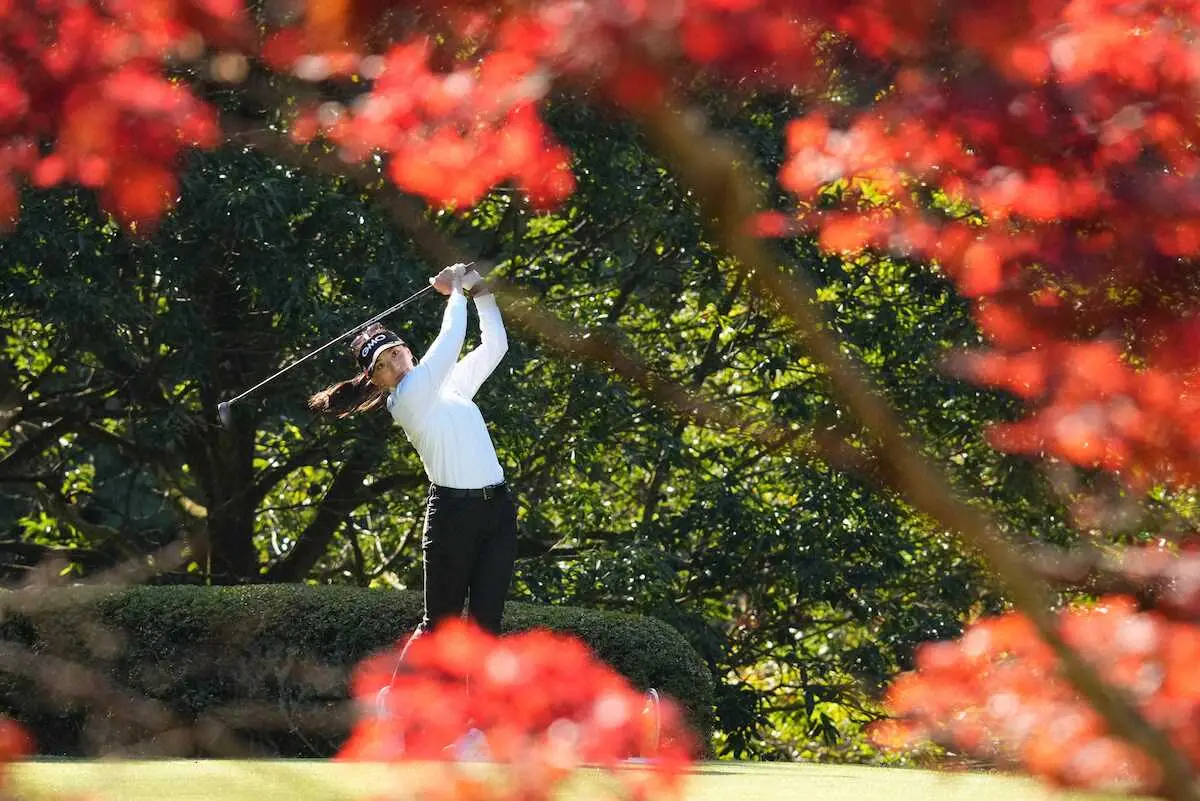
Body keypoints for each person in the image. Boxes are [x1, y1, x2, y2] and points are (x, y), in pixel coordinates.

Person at [308, 263, 518, 652]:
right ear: (376, 381)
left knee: (487, 628)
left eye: (391, 353)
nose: (391, 366)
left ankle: (474, 714)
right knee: (440, 627)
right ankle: (396, 705)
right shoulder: (406, 400)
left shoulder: (449, 385)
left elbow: (496, 346)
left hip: (497, 511)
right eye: (381, 368)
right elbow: (452, 336)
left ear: (405, 348)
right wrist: (456, 288)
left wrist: (479, 289)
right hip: (453, 516)